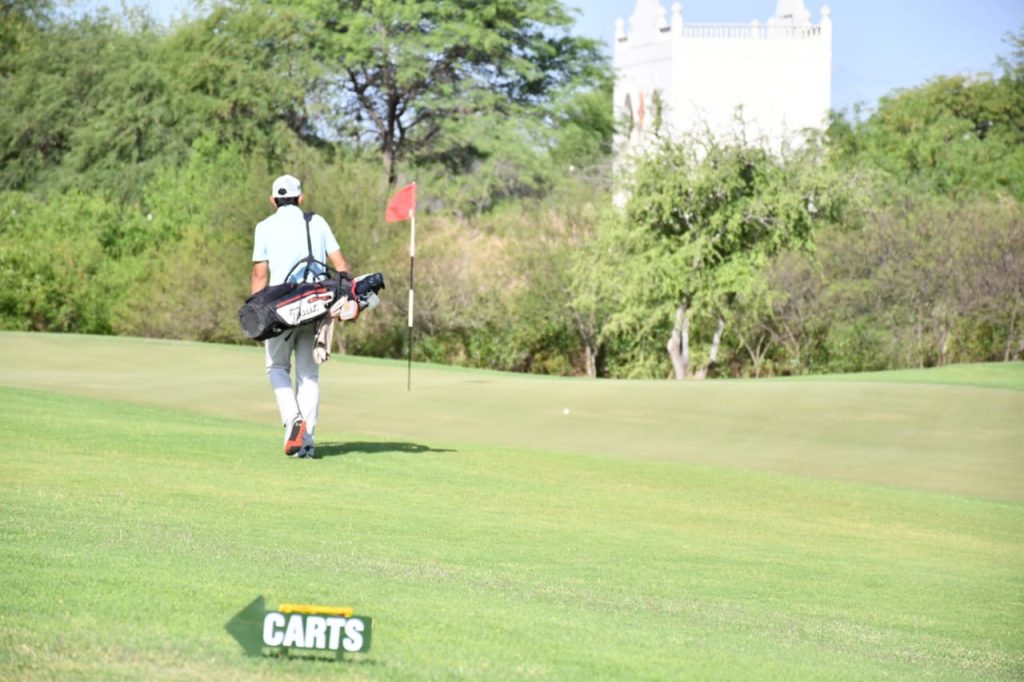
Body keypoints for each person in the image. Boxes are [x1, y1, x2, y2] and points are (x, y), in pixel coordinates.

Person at [251, 174, 351, 459]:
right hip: (315, 305)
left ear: (273, 200)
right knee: (309, 375)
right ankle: (305, 444)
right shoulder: (316, 222)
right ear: (300, 198)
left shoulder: (264, 227)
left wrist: (257, 315)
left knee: (277, 368)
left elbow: (260, 274)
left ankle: (293, 419)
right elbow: (341, 267)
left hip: (280, 308)